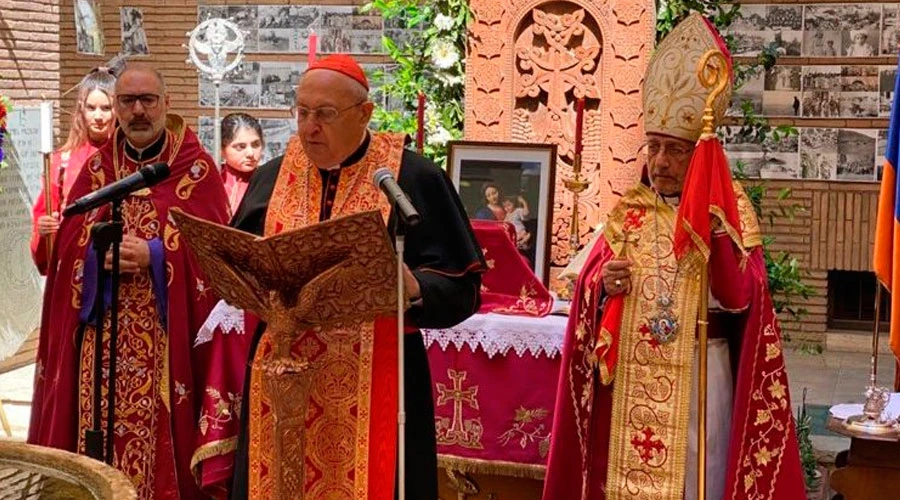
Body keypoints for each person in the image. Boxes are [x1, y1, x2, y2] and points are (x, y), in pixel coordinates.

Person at [542, 14, 805, 500]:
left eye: (675, 151)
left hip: (706, 376)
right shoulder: (631, 213)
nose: (659, 161)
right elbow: (586, 284)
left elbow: (741, 295)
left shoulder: (732, 212)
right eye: (654, 147)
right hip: (636, 383)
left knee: (697, 480)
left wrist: (713, 226)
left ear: (701, 155)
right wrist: (606, 283)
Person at [225, 54, 485, 500]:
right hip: (281, 379)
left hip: (377, 383)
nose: (309, 127)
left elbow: (463, 290)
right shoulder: (272, 176)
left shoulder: (409, 177)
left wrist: (417, 287)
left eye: (324, 114)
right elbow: (240, 257)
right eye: (302, 112)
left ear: (364, 113)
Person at [27, 63, 230, 500]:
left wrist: (156, 255)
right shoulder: (98, 169)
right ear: (116, 107)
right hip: (99, 349)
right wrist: (94, 252)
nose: (138, 111)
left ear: (166, 104)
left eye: (147, 100)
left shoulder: (195, 170)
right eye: (127, 101)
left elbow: (217, 254)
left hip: (165, 346)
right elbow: (66, 246)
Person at [31, 68, 117, 275]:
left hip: (117, 263)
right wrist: (43, 230)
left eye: (106, 108)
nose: (98, 116)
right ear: (81, 110)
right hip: (74, 266)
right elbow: (45, 215)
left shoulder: (128, 158)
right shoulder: (62, 162)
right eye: (91, 108)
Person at [220, 112, 264, 213]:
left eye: (256, 145)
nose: (250, 153)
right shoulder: (212, 181)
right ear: (222, 150)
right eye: (241, 147)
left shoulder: (269, 181)